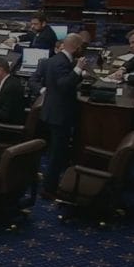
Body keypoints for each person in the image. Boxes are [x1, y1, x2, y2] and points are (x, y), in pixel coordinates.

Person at [40, 33, 88, 198]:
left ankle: (50, 184)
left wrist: (78, 73)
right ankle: (48, 189)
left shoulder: (57, 59)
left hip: (55, 112)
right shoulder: (61, 62)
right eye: (81, 47)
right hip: (59, 115)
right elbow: (64, 85)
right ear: (76, 47)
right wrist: (78, 69)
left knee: (57, 152)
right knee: (56, 154)